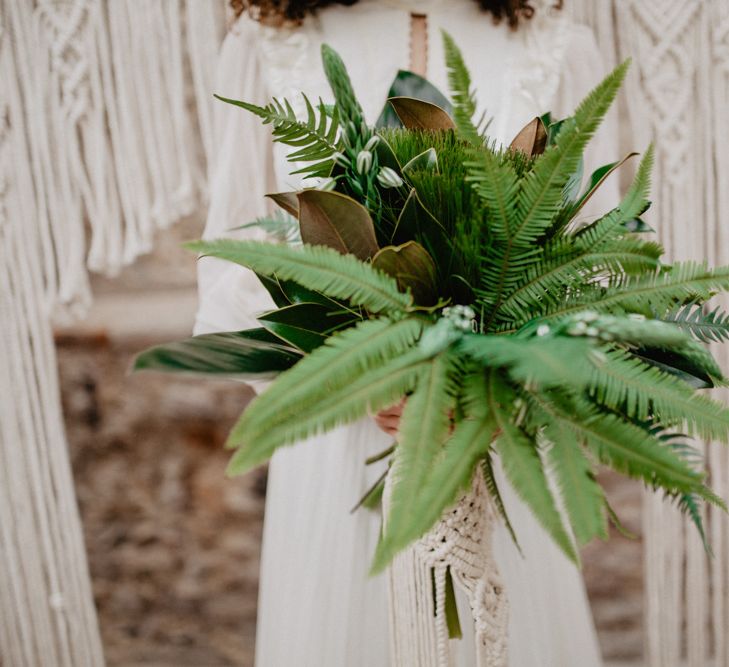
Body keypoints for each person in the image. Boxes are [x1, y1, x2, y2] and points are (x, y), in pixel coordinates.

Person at [195, 1, 617, 664]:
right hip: (337, 449)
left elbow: (598, 263)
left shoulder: (552, 42)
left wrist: (498, 379)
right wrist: (359, 379)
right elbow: (230, 274)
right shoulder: (270, 44)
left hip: (495, 439)